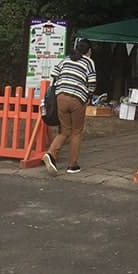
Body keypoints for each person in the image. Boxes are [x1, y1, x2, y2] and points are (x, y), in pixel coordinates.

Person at [42, 38, 97, 176]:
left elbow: (54, 75)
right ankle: (72, 165)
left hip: (60, 97)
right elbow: (92, 82)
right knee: (76, 131)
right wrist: (88, 95)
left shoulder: (66, 59)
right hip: (77, 98)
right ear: (88, 51)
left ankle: (50, 153)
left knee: (64, 130)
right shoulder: (89, 62)